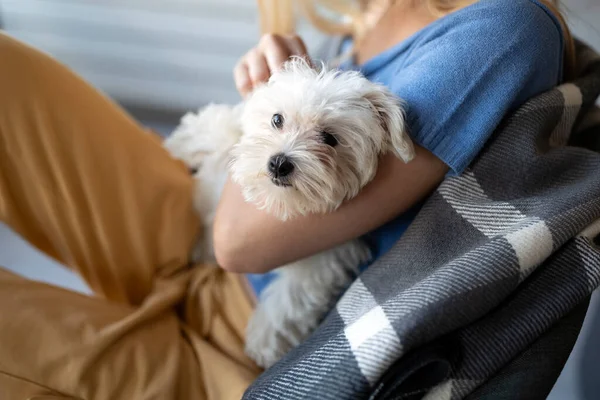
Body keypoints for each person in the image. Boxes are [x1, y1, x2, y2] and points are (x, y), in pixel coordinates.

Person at [0, 0, 574, 399]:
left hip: (246, 334)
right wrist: (260, 93)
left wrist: (259, 125)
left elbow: (240, 242)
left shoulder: (500, 31)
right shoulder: (373, 13)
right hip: (201, 221)